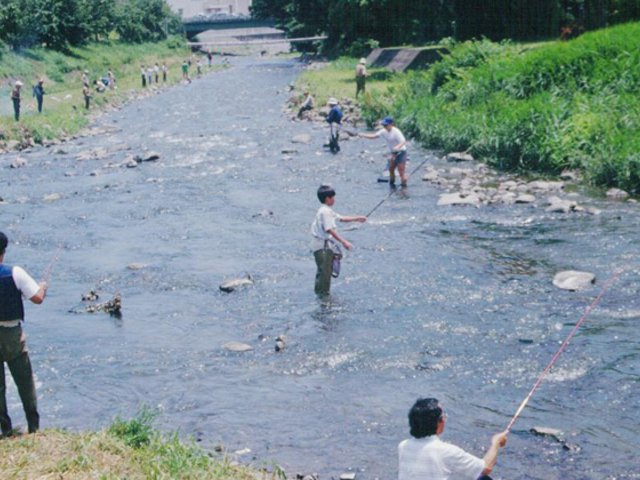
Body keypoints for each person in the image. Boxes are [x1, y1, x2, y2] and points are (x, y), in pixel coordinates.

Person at [0, 232, 47, 436]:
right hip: (11, 335)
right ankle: (33, 427)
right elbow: (37, 298)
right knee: (25, 381)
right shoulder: (15, 273)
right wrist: (43, 287)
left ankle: (5, 430)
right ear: (3, 251)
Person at [398, 398, 508, 480]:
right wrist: (496, 442)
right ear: (438, 422)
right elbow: (485, 468)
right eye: (443, 416)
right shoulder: (446, 450)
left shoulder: (403, 446)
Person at [310, 185, 366, 295]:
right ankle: (324, 301)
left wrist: (358, 218)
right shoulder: (325, 212)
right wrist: (344, 241)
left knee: (323, 275)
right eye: (333, 197)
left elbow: (342, 218)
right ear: (327, 198)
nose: (334, 200)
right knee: (324, 276)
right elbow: (329, 229)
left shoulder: (326, 210)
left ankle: (322, 299)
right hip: (323, 248)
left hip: (320, 246)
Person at [359, 117, 408, 187]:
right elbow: (374, 136)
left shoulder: (396, 132)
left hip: (401, 152)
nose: (384, 127)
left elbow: (403, 141)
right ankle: (392, 185)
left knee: (401, 172)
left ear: (391, 124)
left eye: (386, 125)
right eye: (384, 125)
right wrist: (363, 135)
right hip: (394, 153)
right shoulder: (383, 131)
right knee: (391, 169)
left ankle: (404, 187)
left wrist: (398, 146)